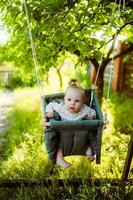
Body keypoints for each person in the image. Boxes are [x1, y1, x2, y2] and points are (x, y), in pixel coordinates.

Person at [43, 79, 96, 168]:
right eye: (69, 99)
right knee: (59, 146)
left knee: (87, 144)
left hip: (81, 137)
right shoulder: (61, 107)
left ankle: (89, 154)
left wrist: (91, 115)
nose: (72, 103)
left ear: (83, 102)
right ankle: (59, 160)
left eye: (77, 101)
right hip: (63, 137)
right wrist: (49, 112)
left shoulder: (84, 109)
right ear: (64, 99)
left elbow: (93, 111)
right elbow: (50, 105)